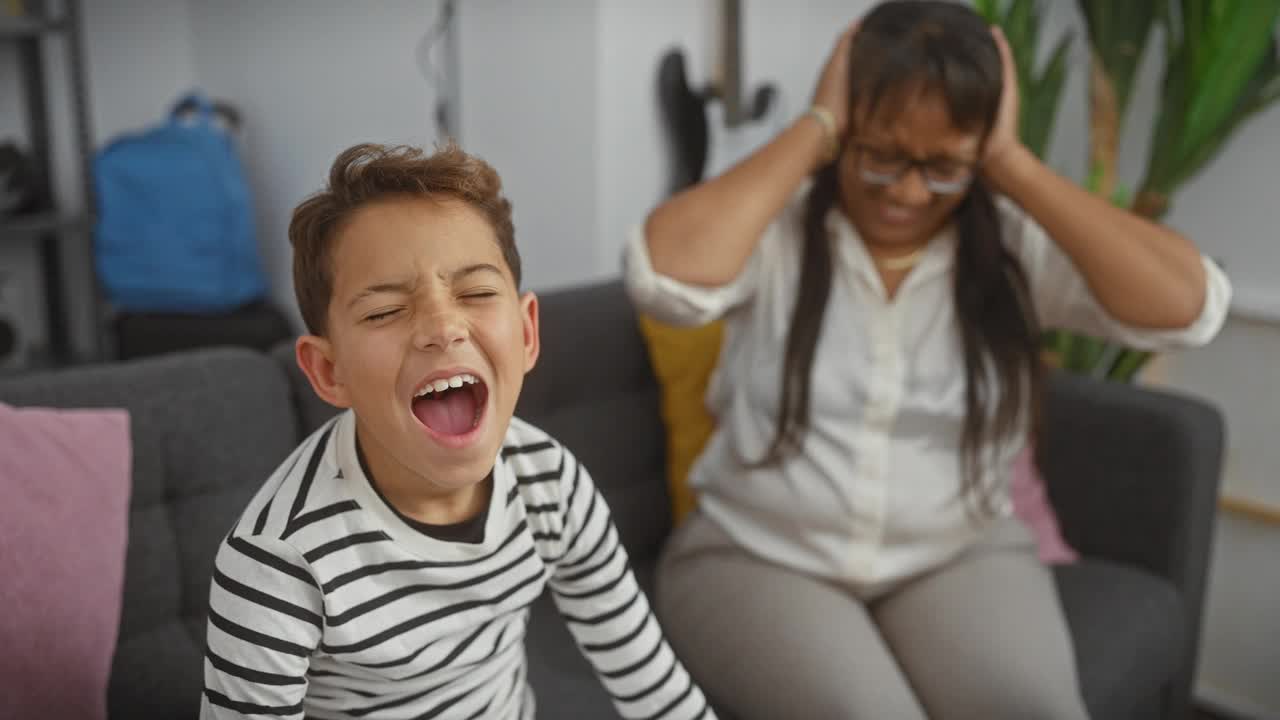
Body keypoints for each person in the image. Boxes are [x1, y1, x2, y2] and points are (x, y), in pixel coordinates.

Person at [624, 1, 1232, 718]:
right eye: (881, 154)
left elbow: (1190, 309)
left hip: (958, 555)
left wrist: (1010, 163)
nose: (909, 192)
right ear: (849, 125)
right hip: (755, 555)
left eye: (943, 166)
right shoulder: (781, 230)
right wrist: (815, 127)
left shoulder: (1010, 245)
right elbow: (660, 276)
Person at [200, 142, 716, 720]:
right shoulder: (277, 559)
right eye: (383, 312)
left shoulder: (552, 483)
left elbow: (651, 681)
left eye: (474, 293)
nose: (442, 327)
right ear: (328, 370)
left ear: (525, 336)